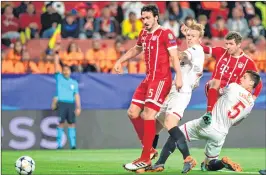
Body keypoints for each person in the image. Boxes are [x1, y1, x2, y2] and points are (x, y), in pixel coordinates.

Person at [146, 70, 261, 173]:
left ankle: (159, 163)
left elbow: (214, 92)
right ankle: (222, 162)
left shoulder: (234, 86)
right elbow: (236, 123)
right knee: (209, 165)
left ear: (251, 83)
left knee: (175, 135)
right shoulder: (251, 103)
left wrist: (209, 86)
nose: (241, 78)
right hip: (221, 134)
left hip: (207, 123)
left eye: (245, 77)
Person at [114, 4, 183, 171]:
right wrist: (120, 60)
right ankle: (149, 149)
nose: (144, 21)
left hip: (161, 79)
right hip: (148, 79)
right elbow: (136, 48)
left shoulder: (166, 33)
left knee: (149, 114)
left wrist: (178, 76)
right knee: (132, 112)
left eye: (147, 18)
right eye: (142, 18)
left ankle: (145, 158)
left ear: (156, 17)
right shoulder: (143, 33)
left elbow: (174, 56)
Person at [147, 21, 206, 174]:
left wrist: (170, 42)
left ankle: (188, 158)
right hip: (175, 91)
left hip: (181, 92)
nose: (190, 38)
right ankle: (152, 160)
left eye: (193, 36)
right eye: (188, 35)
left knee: (169, 122)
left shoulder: (196, 49)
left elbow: (179, 54)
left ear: (200, 38)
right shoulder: (193, 51)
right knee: (154, 125)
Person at [180, 28, 263, 125]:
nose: (228, 47)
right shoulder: (220, 51)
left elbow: (259, 82)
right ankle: (209, 113)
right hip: (217, 89)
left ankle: (232, 117)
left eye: (231, 44)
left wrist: (254, 97)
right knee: (213, 82)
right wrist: (191, 37)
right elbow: (204, 48)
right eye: (226, 44)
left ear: (239, 45)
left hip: (232, 94)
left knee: (224, 123)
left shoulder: (247, 62)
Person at [52, 52, 81, 149]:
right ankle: (59, 145)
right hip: (62, 103)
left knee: (71, 123)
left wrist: (78, 107)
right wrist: (56, 55)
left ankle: (73, 145)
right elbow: (56, 66)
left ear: (70, 72)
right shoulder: (59, 78)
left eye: (67, 70)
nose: (65, 72)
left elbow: (76, 95)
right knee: (60, 123)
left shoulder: (74, 83)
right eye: (64, 70)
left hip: (71, 104)